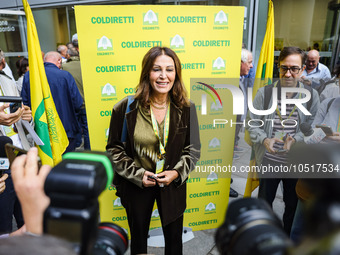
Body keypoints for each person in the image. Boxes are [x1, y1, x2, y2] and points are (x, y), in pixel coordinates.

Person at [106, 46, 200, 255]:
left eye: (169, 69)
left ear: (177, 73)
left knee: (175, 241)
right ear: (147, 72)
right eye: (157, 69)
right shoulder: (126, 107)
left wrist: (176, 173)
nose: (163, 76)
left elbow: (193, 149)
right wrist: (139, 175)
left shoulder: (186, 108)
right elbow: (114, 149)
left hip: (173, 185)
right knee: (139, 240)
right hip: (137, 185)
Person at [246, 46, 320, 235]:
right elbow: (251, 124)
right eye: (283, 68)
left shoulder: (312, 97)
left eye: (294, 68)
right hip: (269, 160)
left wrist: (295, 140)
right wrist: (264, 140)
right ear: (278, 68)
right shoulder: (265, 93)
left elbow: (312, 130)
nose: (288, 74)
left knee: (292, 206)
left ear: (302, 69)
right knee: (264, 204)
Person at [21, 51, 83, 152]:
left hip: (41, 130)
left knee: (46, 165)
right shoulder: (65, 76)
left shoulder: (29, 76)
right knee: (65, 164)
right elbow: (78, 103)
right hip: (66, 130)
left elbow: (25, 104)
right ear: (59, 61)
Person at [0, 49, 33, 234]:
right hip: (1, 168)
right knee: (4, 226)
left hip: (19, 156)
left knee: (27, 220)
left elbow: (18, 112)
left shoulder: (7, 80)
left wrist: (26, 116)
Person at [62, 47, 90, 150]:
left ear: (68, 56)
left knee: (74, 128)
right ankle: (88, 151)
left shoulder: (64, 67)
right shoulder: (85, 65)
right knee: (87, 130)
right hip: (86, 103)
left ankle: (76, 147)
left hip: (71, 104)